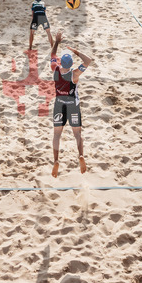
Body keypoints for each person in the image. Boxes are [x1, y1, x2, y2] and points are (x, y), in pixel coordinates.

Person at [49, 32, 92, 177]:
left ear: (61, 63)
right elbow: (88, 61)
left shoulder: (55, 69)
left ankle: (56, 160)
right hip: (73, 104)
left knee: (57, 135)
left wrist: (57, 41)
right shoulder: (75, 74)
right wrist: (75, 51)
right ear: (71, 64)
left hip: (59, 104)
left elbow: (53, 54)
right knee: (77, 133)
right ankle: (81, 155)